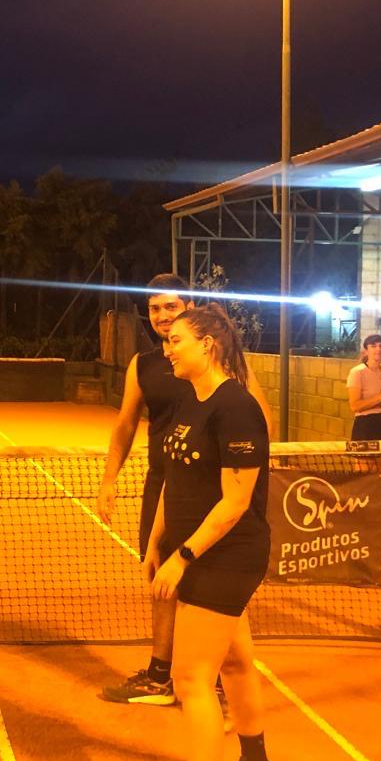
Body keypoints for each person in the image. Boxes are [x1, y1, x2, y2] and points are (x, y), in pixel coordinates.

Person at [97, 275, 272, 708]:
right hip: (165, 483)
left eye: (171, 307)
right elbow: (124, 423)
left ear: (189, 309)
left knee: (216, 580)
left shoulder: (222, 362)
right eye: (154, 308)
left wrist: (245, 471)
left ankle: (218, 678)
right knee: (160, 573)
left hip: (214, 487)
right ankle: (161, 675)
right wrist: (109, 480)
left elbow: (258, 419)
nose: (161, 316)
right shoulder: (143, 365)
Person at [146, 305, 275, 761]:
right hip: (195, 549)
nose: (168, 349)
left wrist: (183, 556)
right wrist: (157, 540)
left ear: (208, 344)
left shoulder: (236, 407)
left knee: (191, 680)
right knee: (236, 663)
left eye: (176, 339)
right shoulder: (188, 399)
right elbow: (174, 478)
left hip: (228, 556)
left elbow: (235, 503)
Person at [347, 335, 381, 441]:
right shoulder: (357, 372)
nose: (378, 349)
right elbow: (355, 406)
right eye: (373, 346)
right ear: (366, 351)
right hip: (366, 423)